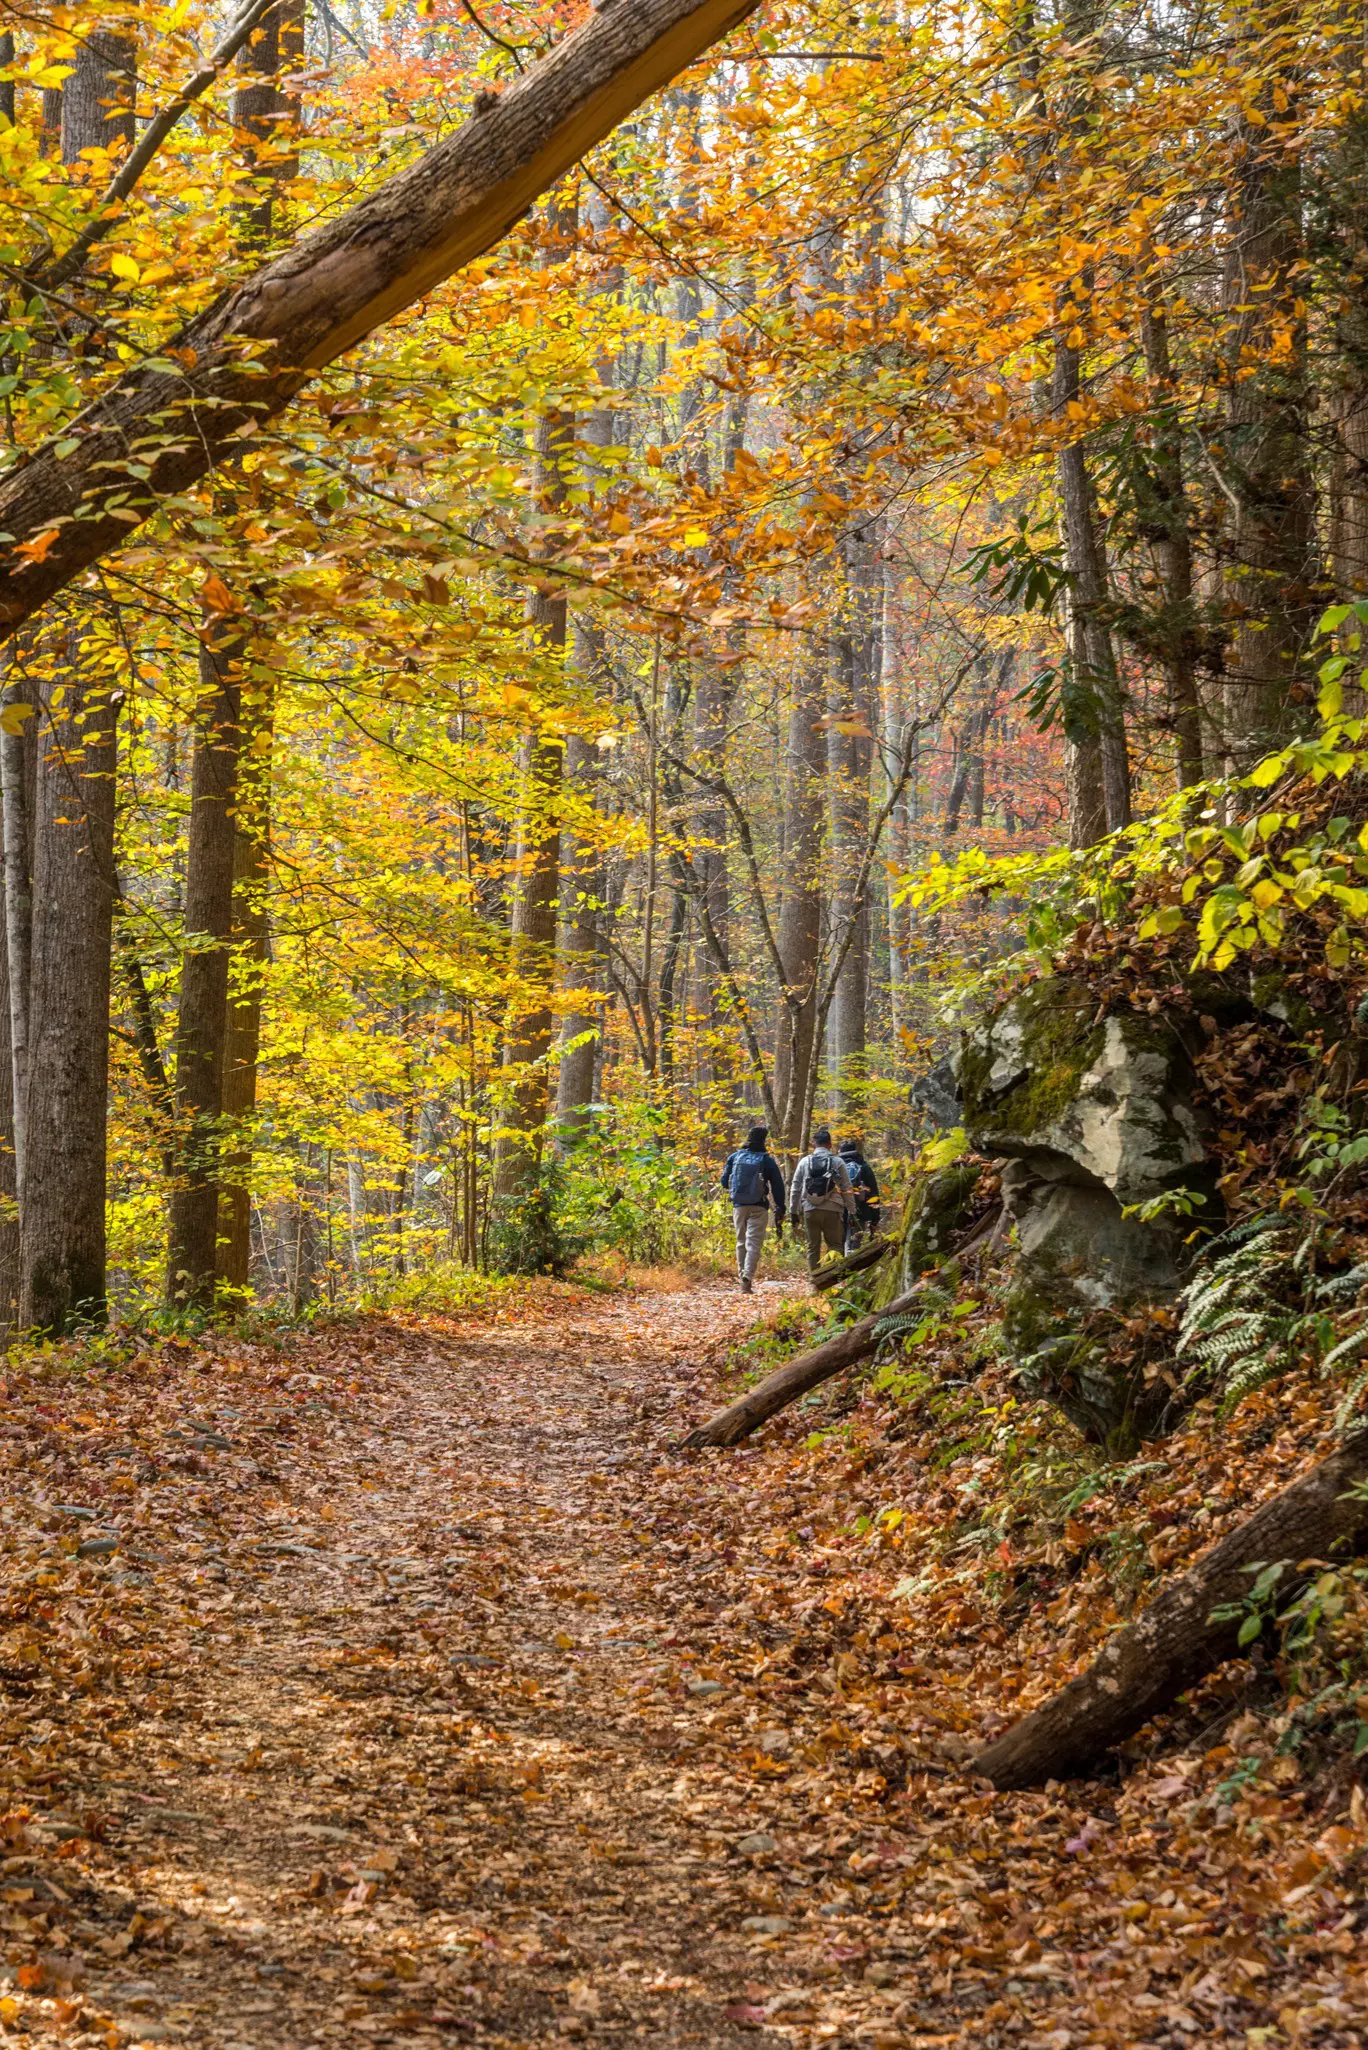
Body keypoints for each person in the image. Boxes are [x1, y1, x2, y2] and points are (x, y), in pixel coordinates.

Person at [720, 1124, 786, 1294]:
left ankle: (743, 1278)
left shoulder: (734, 1157)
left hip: (739, 1205)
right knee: (754, 1243)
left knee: (741, 1242)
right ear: (764, 1140)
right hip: (759, 1206)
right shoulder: (766, 1160)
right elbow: (778, 1186)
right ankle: (747, 1277)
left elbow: (724, 1182)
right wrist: (780, 1206)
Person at [788, 1125, 856, 1282]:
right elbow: (846, 1187)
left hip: (810, 1208)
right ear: (830, 1144)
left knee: (813, 1246)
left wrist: (793, 1210)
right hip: (833, 1209)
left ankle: (815, 1281)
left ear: (814, 1145)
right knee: (835, 1245)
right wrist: (852, 1210)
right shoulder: (837, 1161)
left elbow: (796, 1187)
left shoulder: (805, 1162)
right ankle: (832, 1281)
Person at [839, 1137, 882, 1253]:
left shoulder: (835, 1165)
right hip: (860, 1211)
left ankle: (837, 1268)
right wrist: (875, 1218)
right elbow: (874, 1193)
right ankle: (851, 1268)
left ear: (840, 1151)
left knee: (837, 1244)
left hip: (838, 1210)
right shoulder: (864, 1167)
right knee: (854, 1244)